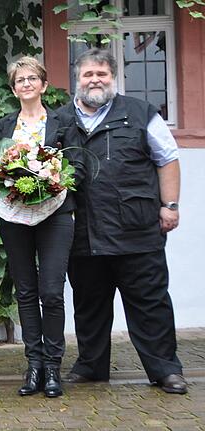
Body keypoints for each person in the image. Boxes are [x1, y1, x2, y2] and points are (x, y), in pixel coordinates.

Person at [59, 48, 186, 394]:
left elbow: (167, 158)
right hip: (83, 231)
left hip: (137, 228)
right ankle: (91, 366)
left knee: (150, 303)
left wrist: (169, 205)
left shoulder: (140, 112)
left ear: (113, 78)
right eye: (88, 74)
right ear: (77, 79)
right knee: (89, 305)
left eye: (102, 74)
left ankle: (165, 369)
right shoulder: (60, 120)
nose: (95, 80)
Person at [0, 56, 79, 398]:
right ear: (13, 89)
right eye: (19, 80)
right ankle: (34, 367)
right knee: (25, 291)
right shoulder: (3, 127)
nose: (26, 84)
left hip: (56, 216)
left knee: (52, 292)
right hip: (16, 217)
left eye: (32, 78)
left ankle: (54, 368)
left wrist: (56, 182)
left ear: (43, 85)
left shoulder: (63, 122)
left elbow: (77, 166)